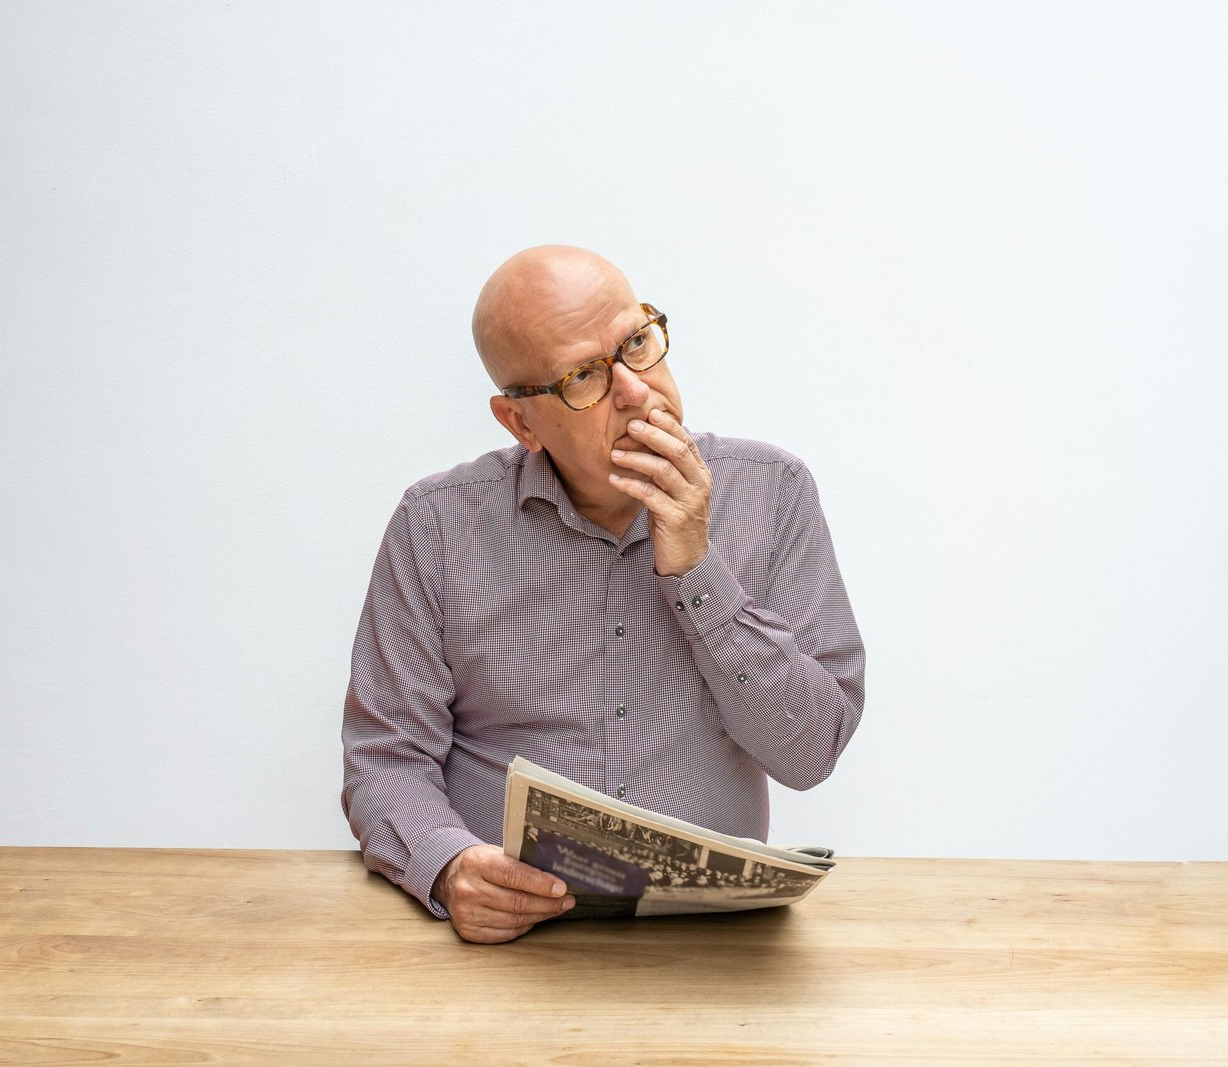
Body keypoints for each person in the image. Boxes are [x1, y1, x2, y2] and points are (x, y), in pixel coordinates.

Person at [341, 246, 864, 943]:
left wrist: (697, 568)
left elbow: (809, 754)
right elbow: (385, 758)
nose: (637, 391)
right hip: (505, 948)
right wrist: (447, 864)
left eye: (636, 344)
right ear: (521, 423)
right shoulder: (435, 524)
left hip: (713, 951)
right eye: (584, 375)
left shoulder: (776, 492)